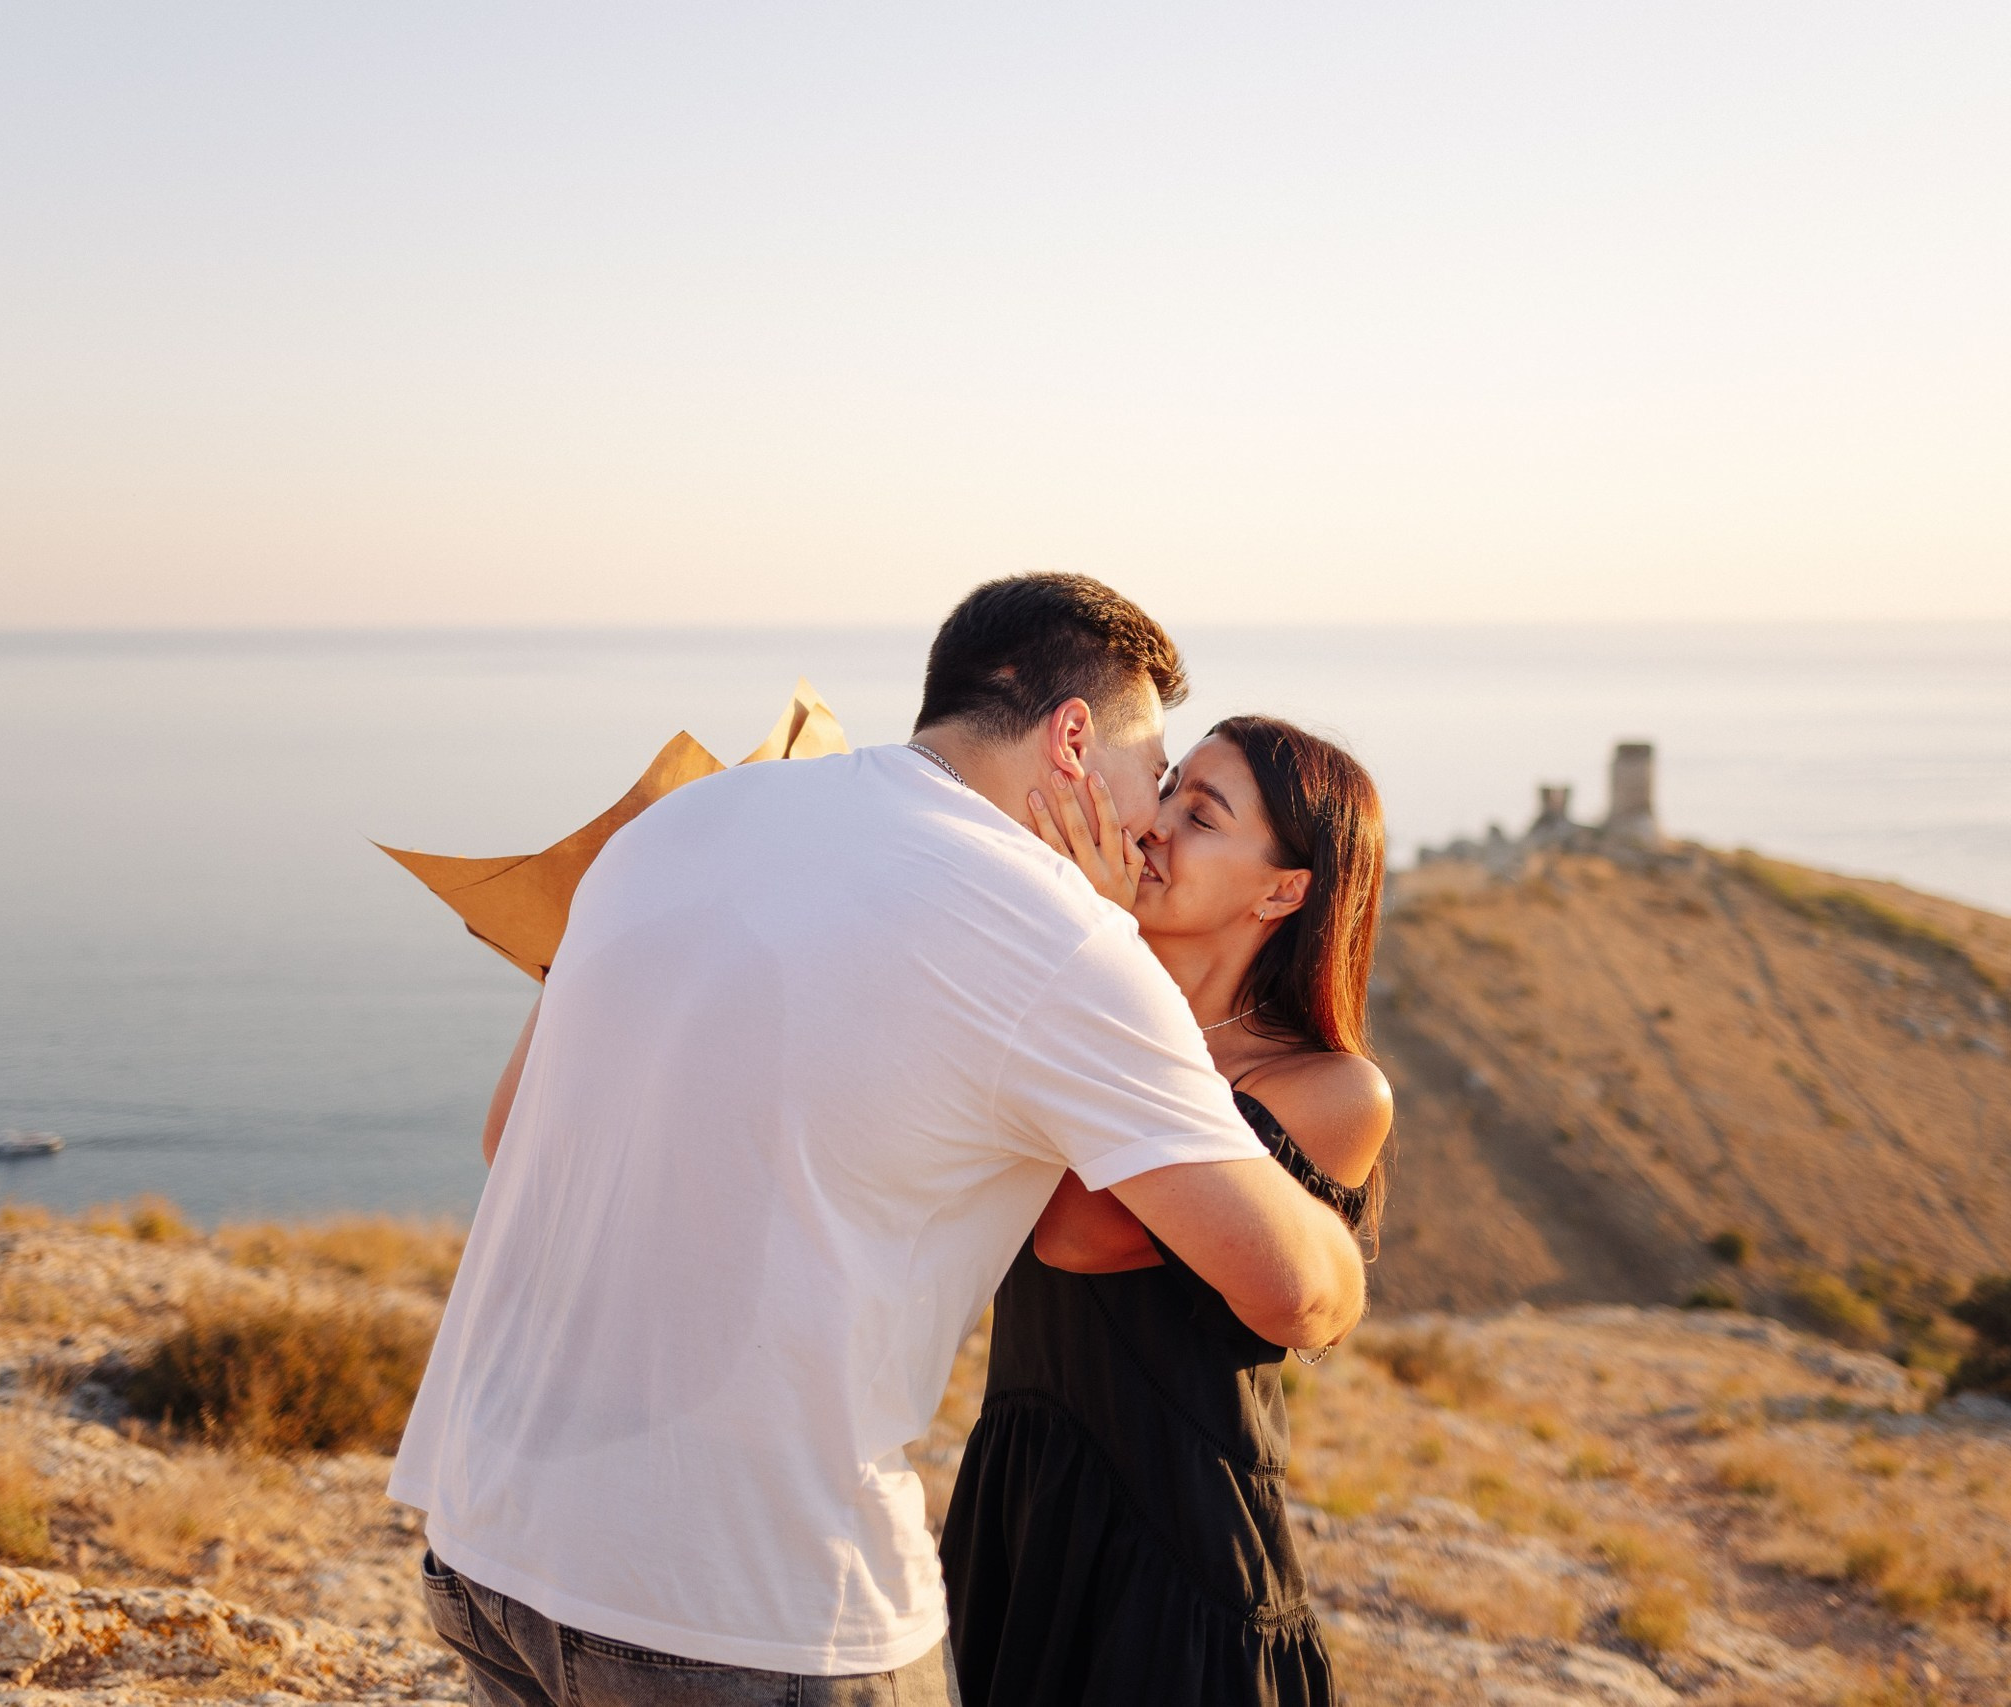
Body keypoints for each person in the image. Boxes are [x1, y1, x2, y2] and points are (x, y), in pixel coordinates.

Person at [390, 574, 1368, 1706]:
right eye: (1154, 776)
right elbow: (1300, 1293)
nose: (1149, 822)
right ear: (1071, 740)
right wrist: (1344, 1252)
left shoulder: (683, 817)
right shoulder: (1057, 935)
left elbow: (509, 1131)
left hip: (490, 1540)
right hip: (751, 1607)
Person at [941, 715, 1391, 1707]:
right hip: (1016, 1507)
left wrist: (1096, 945)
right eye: (1169, 788)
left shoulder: (1328, 1088)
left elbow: (1078, 1230)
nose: (1153, 826)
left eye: (1203, 815)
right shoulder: (1067, 1019)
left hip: (1175, 1557)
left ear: (1283, 891)